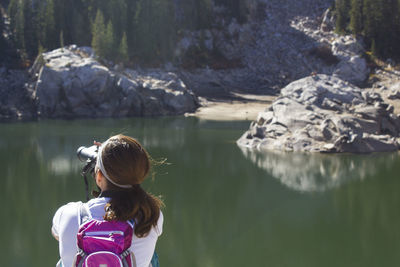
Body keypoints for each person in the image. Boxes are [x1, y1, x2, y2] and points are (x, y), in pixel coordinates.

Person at [51, 134, 164, 267]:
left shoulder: (68, 213)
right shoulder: (150, 215)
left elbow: (57, 235)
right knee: (151, 258)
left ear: (98, 176)